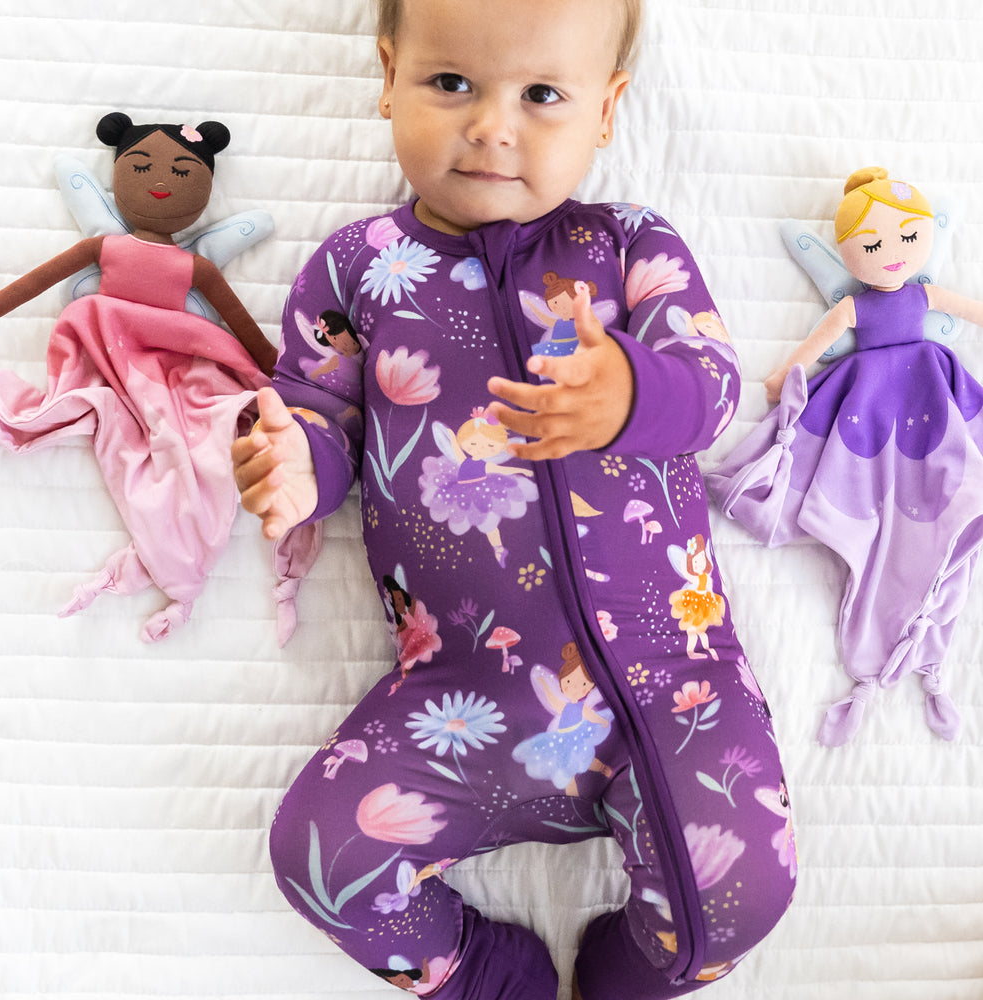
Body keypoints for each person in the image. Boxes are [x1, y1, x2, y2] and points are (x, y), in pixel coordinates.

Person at [232, 1, 796, 996]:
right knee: (318, 858)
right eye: (452, 84)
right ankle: (492, 974)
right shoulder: (355, 271)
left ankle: (634, 969)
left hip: (674, 685)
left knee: (742, 898)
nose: (494, 125)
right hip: (463, 699)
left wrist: (629, 391)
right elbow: (319, 413)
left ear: (607, 108)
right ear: (388, 73)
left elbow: (708, 386)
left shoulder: (627, 246)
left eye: (542, 95)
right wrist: (292, 465)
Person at [708, 167, 983, 746]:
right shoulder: (855, 306)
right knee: (872, 506)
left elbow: (971, 307)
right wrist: (790, 372)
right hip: (865, 405)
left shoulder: (925, 295)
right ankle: (882, 671)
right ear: (848, 250)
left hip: (934, 391)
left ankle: (927, 665)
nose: (892, 254)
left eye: (907, 239)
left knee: (945, 491)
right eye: (875, 244)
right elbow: (817, 341)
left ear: (927, 237)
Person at [0, 112, 276, 641]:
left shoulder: (198, 268)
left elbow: (241, 327)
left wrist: (278, 370)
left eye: (182, 174)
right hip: (105, 338)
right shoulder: (104, 248)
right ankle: (171, 562)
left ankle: (172, 561)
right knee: (124, 422)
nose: (160, 182)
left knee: (189, 430)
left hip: (178, 353)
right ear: (119, 173)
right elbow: (34, 282)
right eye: (140, 168)